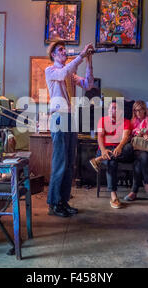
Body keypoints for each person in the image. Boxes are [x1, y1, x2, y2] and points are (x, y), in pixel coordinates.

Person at [45, 40, 94, 217]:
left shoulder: (70, 75)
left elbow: (88, 84)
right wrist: (81, 55)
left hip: (70, 119)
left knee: (69, 163)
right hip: (59, 118)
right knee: (60, 162)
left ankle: (63, 201)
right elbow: (64, 72)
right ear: (53, 55)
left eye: (65, 49)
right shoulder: (51, 70)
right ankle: (54, 204)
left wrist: (89, 61)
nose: (64, 52)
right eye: (60, 50)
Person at [94, 101, 133, 209]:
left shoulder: (126, 121)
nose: (111, 110)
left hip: (120, 149)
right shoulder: (102, 120)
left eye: (115, 108)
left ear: (120, 111)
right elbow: (100, 136)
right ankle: (113, 196)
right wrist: (102, 150)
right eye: (110, 108)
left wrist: (119, 147)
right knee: (112, 161)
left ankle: (98, 159)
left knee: (129, 148)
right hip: (105, 149)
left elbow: (125, 137)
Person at [124, 100, 148, 201]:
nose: (138, 113)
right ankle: (147, 183)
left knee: (140, 159)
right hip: (137, 151)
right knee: (140, 158)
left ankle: (134, 192)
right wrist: (135, 135)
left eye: (140, 110)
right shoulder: (132, 121)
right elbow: (128, 138)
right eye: (135, 111)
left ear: (145, 110)